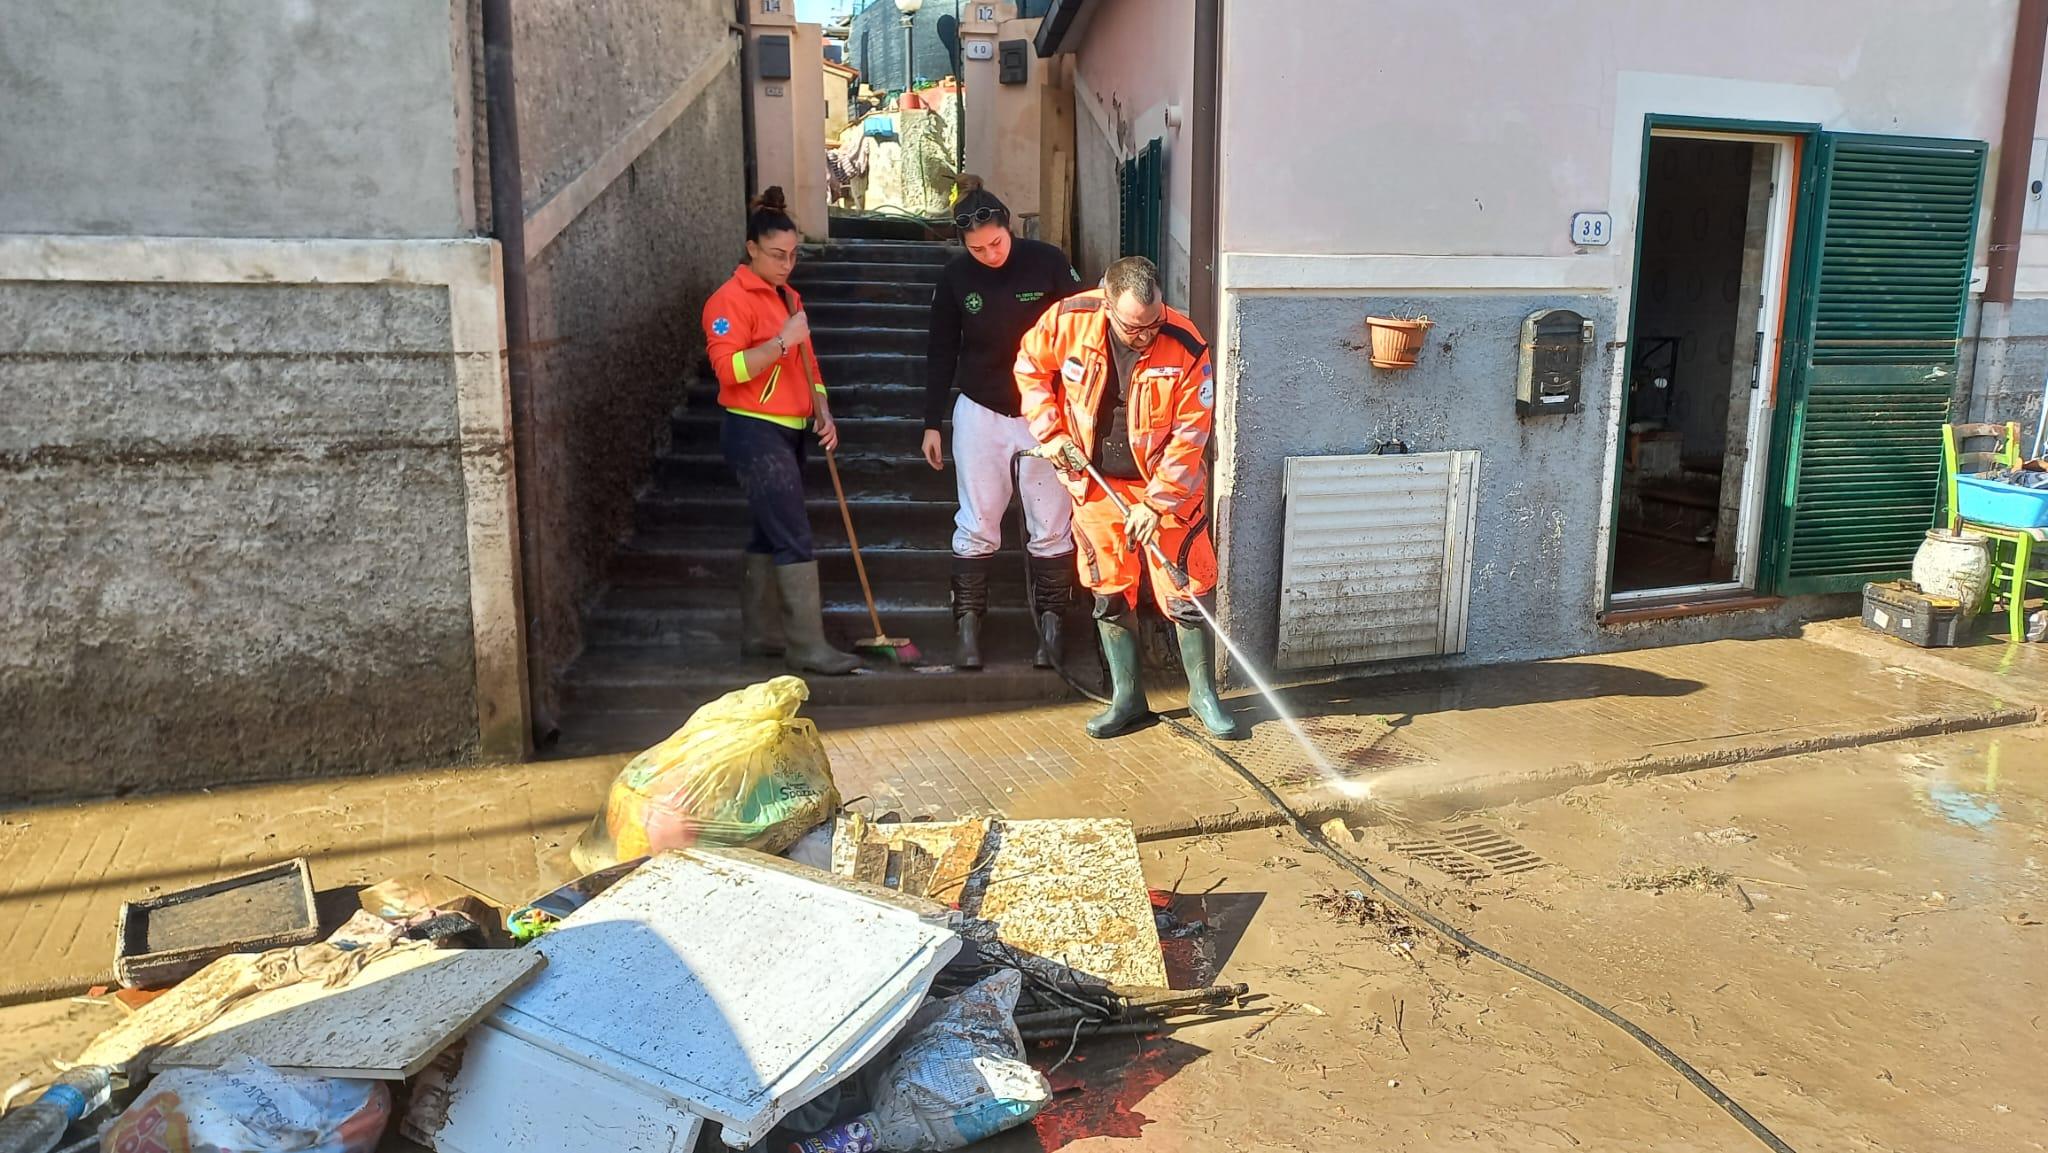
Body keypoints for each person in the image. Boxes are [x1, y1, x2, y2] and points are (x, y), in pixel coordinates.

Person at [1014, 255, 1242, 740]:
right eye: (1133, 328)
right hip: (1095, 482)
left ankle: (1203, 696)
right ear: (1106, 303)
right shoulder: (1068, 319)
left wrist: (1156, 504)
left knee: (1187, 588)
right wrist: (1051, 433)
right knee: (1109, 589)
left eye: (1153, 323)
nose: (1145, 336)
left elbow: (1190, 435)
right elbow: (1029, 367)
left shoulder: (1185, 343)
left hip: (1167, 488)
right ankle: (1128, 699)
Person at [923, 177, 1084, 670]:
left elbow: (1082, 330)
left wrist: (1082, 410)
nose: (989, 254)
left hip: (1043, 412)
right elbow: (940, 348)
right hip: (980, 409)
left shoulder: (1048, 262)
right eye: (977, 248)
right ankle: (968, 630)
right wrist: (931, 421)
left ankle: (1052, 629)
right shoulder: (955, 278)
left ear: (1008, 228)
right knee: (977, 520)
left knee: (1052, 522)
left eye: (995, 243)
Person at [701, 187, 861, 675]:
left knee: (767, 533)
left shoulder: (789, 295)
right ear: (751, 248)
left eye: (792, 255)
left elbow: (807, 362)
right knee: (792, 534)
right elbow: (730, 371)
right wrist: (780, 340)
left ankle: (763, 636)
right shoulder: (727, 302)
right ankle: (806, 647)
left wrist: (823, 408)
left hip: (791, 428)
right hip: (753, 431)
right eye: (776, 255)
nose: (787, 264)